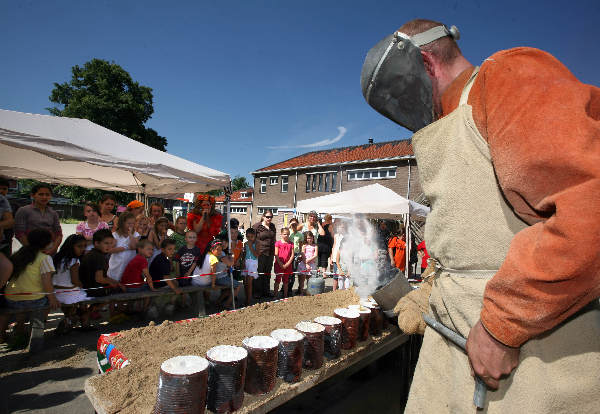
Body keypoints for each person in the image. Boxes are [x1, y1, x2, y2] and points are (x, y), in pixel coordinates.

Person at [362, 19, 600, 412]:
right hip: (457, 360)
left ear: (427, 62)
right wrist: (435, 294)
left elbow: (588, 206)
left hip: (530, 366)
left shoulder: (510, 76)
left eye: (403, 100)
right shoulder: (454, 124)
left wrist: (502, 327)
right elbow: (472, 244)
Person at [1, 229, 58, 348]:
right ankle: (33, 330)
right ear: (45, 243)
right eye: (51, 241)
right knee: (47, 303)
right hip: (33, 299)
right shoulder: (45, 258)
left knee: (22, 306)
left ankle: (19, 328)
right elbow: (47, 282)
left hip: (11, 298)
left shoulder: (19, 254)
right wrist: (52, 298)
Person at [52, 234, 90, 333]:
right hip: (68, 292)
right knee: (84, 299)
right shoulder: (74, 261)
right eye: (79, 246)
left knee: (75, 301)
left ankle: (69, 319)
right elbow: (75, 281)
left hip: (56, 291)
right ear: (71, 246)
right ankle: (83, 322)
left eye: (84, 246)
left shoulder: (57, 258)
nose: (83, 249)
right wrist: (82, 285)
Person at [14, 183, 62, 255]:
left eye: (47, 194)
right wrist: (32, 250)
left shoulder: (53, 213)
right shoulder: (23, 210)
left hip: (49, 250)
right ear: (33, 195)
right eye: (41, 194)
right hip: (30, 250)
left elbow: (59, 234)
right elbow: (19, 233)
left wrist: (54, 248)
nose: (44, 197)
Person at [79, 229, 122, 298]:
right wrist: (113, 284)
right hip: (92, 290)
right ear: (96, 243)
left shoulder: (93, 253)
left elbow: (103, 276)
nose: (109, 246)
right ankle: (97, 308)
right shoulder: (99, 257)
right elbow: (99, 279)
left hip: (88, 288)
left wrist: (116, 282)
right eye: (106, 243)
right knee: (120, 291)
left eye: (111, 243)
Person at [107, 212, 139, 282]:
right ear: (122, 223)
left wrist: (130, 234)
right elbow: (110, 250)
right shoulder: (115, 235)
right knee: (115, 279)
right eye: (129, 223)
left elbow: (134, 246)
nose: (131, 225)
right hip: (117, 263)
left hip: (129, 262)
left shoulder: (135, 234)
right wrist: (126, 248)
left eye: (133, 223)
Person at [252, 211, 276, 299]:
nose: (269, 218)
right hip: (260, 252)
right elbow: (251, 239)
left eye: (271, 217)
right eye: (267, 217)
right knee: (259, 272)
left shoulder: (272, 226)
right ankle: (257, 292)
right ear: (263, 216)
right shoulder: (257, 226)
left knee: (267, 273)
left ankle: (266, 291)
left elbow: (274, 239)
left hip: (270, 253)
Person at [274, 227, 294, 299]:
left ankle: (285, 295)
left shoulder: (291, 243)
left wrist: (288, 264)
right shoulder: (278, 243)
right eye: (285, 234)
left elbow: (292, 255)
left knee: (286, 281)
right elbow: (276, 254)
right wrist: (281, 264)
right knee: (277, 280)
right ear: (281, 234)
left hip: (288, 265)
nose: (286, 235)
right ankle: (275, 296)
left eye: (288, 234)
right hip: (279, 264)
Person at [297, 231, 317, 296]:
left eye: (311, 238)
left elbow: (315, 255)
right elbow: (303, 255)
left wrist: (309, 260)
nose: (309, 239)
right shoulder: (304, 246)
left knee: (310, 279)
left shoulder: (315, 246)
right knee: (302, 279)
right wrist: (306, 263)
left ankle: (309, 291)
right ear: (306, 238)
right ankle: (301, 292)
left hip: (311, 264)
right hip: (304, 263)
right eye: (308, 238)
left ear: (313, 238)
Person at [287, 218, 304, 296]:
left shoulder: (300, 234)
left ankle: (289, 289)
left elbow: (301, 245)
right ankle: (284, 288)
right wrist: (289, 226)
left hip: (296, 254)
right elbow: (284, 237)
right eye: (292, 224)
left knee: (293, 272)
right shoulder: (288, 232)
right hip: (288, 253)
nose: (294, 225)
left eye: (295, 224)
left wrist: (300, 253)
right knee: (286, 271)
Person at [243, 228, 258, 304]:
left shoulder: (257, 243)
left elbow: (256, 255)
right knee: (245, 282)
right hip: (246, 262)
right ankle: (246, 297)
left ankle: (249, 300)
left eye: (251, 236)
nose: (250, 238)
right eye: (248, 237)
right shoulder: (245, 244)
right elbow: (244, 253)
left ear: (255, 236)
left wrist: (251, 246)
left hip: (253, 263)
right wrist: (243, 262)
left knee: (249, 282)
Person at [0, 178, 15, 257]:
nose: (1, 191)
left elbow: (12, 222)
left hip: (6, 242)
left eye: (4, 189)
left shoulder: (13, 205)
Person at [330, 220, 345, 291]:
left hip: (342, 257)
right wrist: (332, 256)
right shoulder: (336, 236)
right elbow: (334, 245)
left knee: (342, 274)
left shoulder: (345, 236)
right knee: (335, 274)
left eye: (342, 227)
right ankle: (334, 289)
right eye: (339, 227)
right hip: (336, 255)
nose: (340, 229)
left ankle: (342, 289)